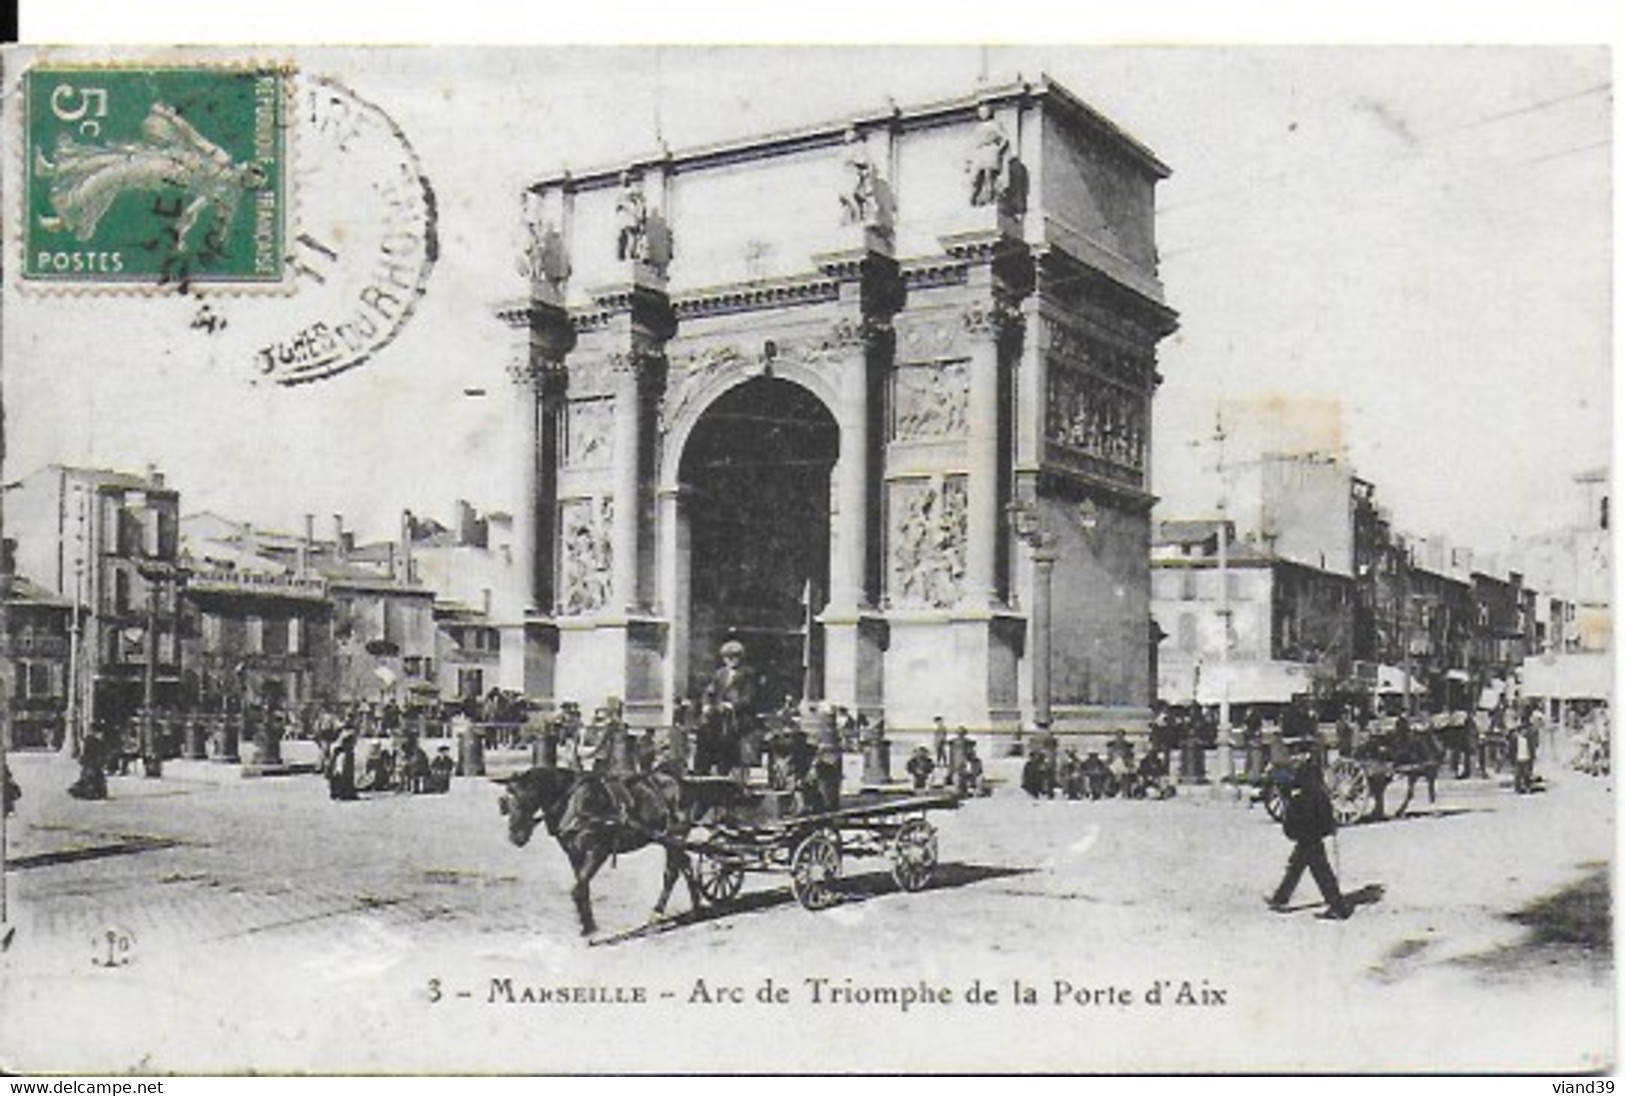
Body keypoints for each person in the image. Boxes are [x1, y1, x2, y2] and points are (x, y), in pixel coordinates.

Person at [1267, 756, 1353, 920]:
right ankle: (1280, 898)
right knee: (1297, 867)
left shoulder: (1301, 798)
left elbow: (1292, 823)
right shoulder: (1321, 796)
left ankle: (1338, 907)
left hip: (1307, 839)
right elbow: (1327, 821)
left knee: (1319, 872)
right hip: (1314, 838)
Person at [69, 727, 109, 800]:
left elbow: (102, 754)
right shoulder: (91, 741)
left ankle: (95, 791)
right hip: (91, 764)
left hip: (95, 765)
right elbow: (88, 754)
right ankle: (89, 792)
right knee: (90, 778)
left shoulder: (99, 742)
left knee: (96, 778)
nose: (101, 735)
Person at [326, 729, 358, 801]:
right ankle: (342, 792)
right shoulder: (343, 755)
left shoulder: (343, 754)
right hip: (340, 780)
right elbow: (340, 770)